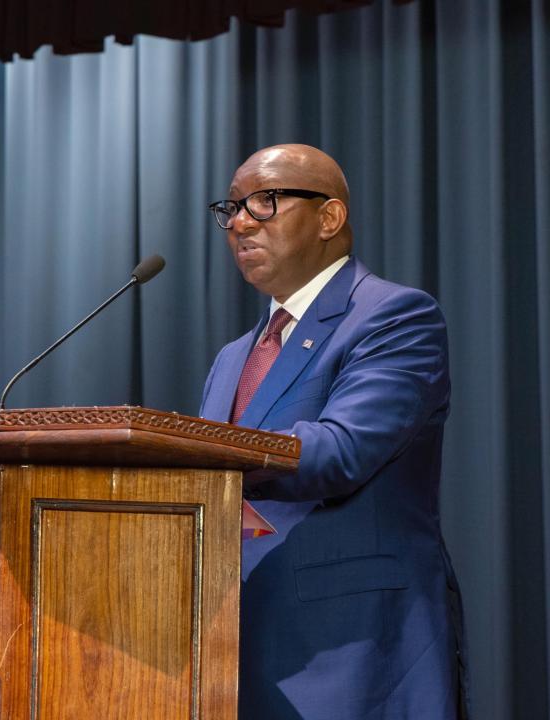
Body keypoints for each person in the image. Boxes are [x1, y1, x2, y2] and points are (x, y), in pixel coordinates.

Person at [200, 144, 467, 719]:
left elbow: (344, 450)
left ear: (329, 218)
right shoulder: (231, 358)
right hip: (231, 654)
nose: (241, 222)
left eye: (264, 202)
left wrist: (198, 457)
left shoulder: (393, 316)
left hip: (351, 649)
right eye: (233, 208)